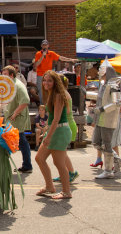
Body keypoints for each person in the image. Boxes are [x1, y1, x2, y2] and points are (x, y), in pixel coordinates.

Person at [35, 70, 72, 199]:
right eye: (44, 80)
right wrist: (45, 132)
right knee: (39, 158)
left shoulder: (57, 95)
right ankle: (50, 186)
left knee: (59, 163)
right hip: (55, 131)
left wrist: (48, 136)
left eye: (49, 81)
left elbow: (56, 119)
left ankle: (67, 192)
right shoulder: (51, 94)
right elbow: (51, 119)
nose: (46, 83)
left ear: (55, 82)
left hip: (60, 132)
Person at [92, 60, 121, 179]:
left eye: (102, 69)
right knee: (96, 142)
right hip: (101, 119)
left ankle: (108, 170)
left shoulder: (113, 86)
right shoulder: (104, 84)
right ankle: (117, 160)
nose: (100, 71)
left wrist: (102, 109)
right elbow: (102, 98)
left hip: (108, 119)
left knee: (106, 145)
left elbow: (117, 103)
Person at [3, 65, 32, 173]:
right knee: (20, 141)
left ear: (11, 75)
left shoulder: (18, 85)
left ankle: (27, 165)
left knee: (20, 141)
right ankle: (27, 165)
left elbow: (25, 101)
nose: (3, 76)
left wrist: (15, 114)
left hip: (17, 118)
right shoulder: (11, 84)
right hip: (13, 117)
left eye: (5, 74)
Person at [52, 74, 79, 183]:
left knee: (62, 152)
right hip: (67, 124)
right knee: (62, 152)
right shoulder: (62, 93)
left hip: (68, 125)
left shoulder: (64, 94)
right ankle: (66, 173)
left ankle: (71, 172)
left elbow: (67, 111)